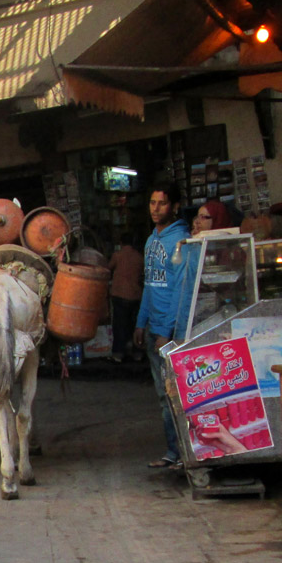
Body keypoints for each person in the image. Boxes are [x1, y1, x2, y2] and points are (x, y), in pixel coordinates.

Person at [133, 182, 191, 471]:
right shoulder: (151, 241)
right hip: (153, 329)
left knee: (175, 394)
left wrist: (166, 331)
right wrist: (141, 322)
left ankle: (183, 452)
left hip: (171, 332)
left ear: (175, 206)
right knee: (162, 395)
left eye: (162, 203)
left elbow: (181, 291)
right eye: (153, 203)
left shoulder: (181, 241)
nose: (156, 209)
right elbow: (149, 285)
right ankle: (173, 452)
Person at [107, 232, 144, 364]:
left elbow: (107, 269)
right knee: (135, 326)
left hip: (119, 295)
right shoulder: (140, 257)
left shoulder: (117, 256)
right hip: (136, 296)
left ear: (121, 243)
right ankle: (137, 353)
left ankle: (118, 354)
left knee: (119, 326)